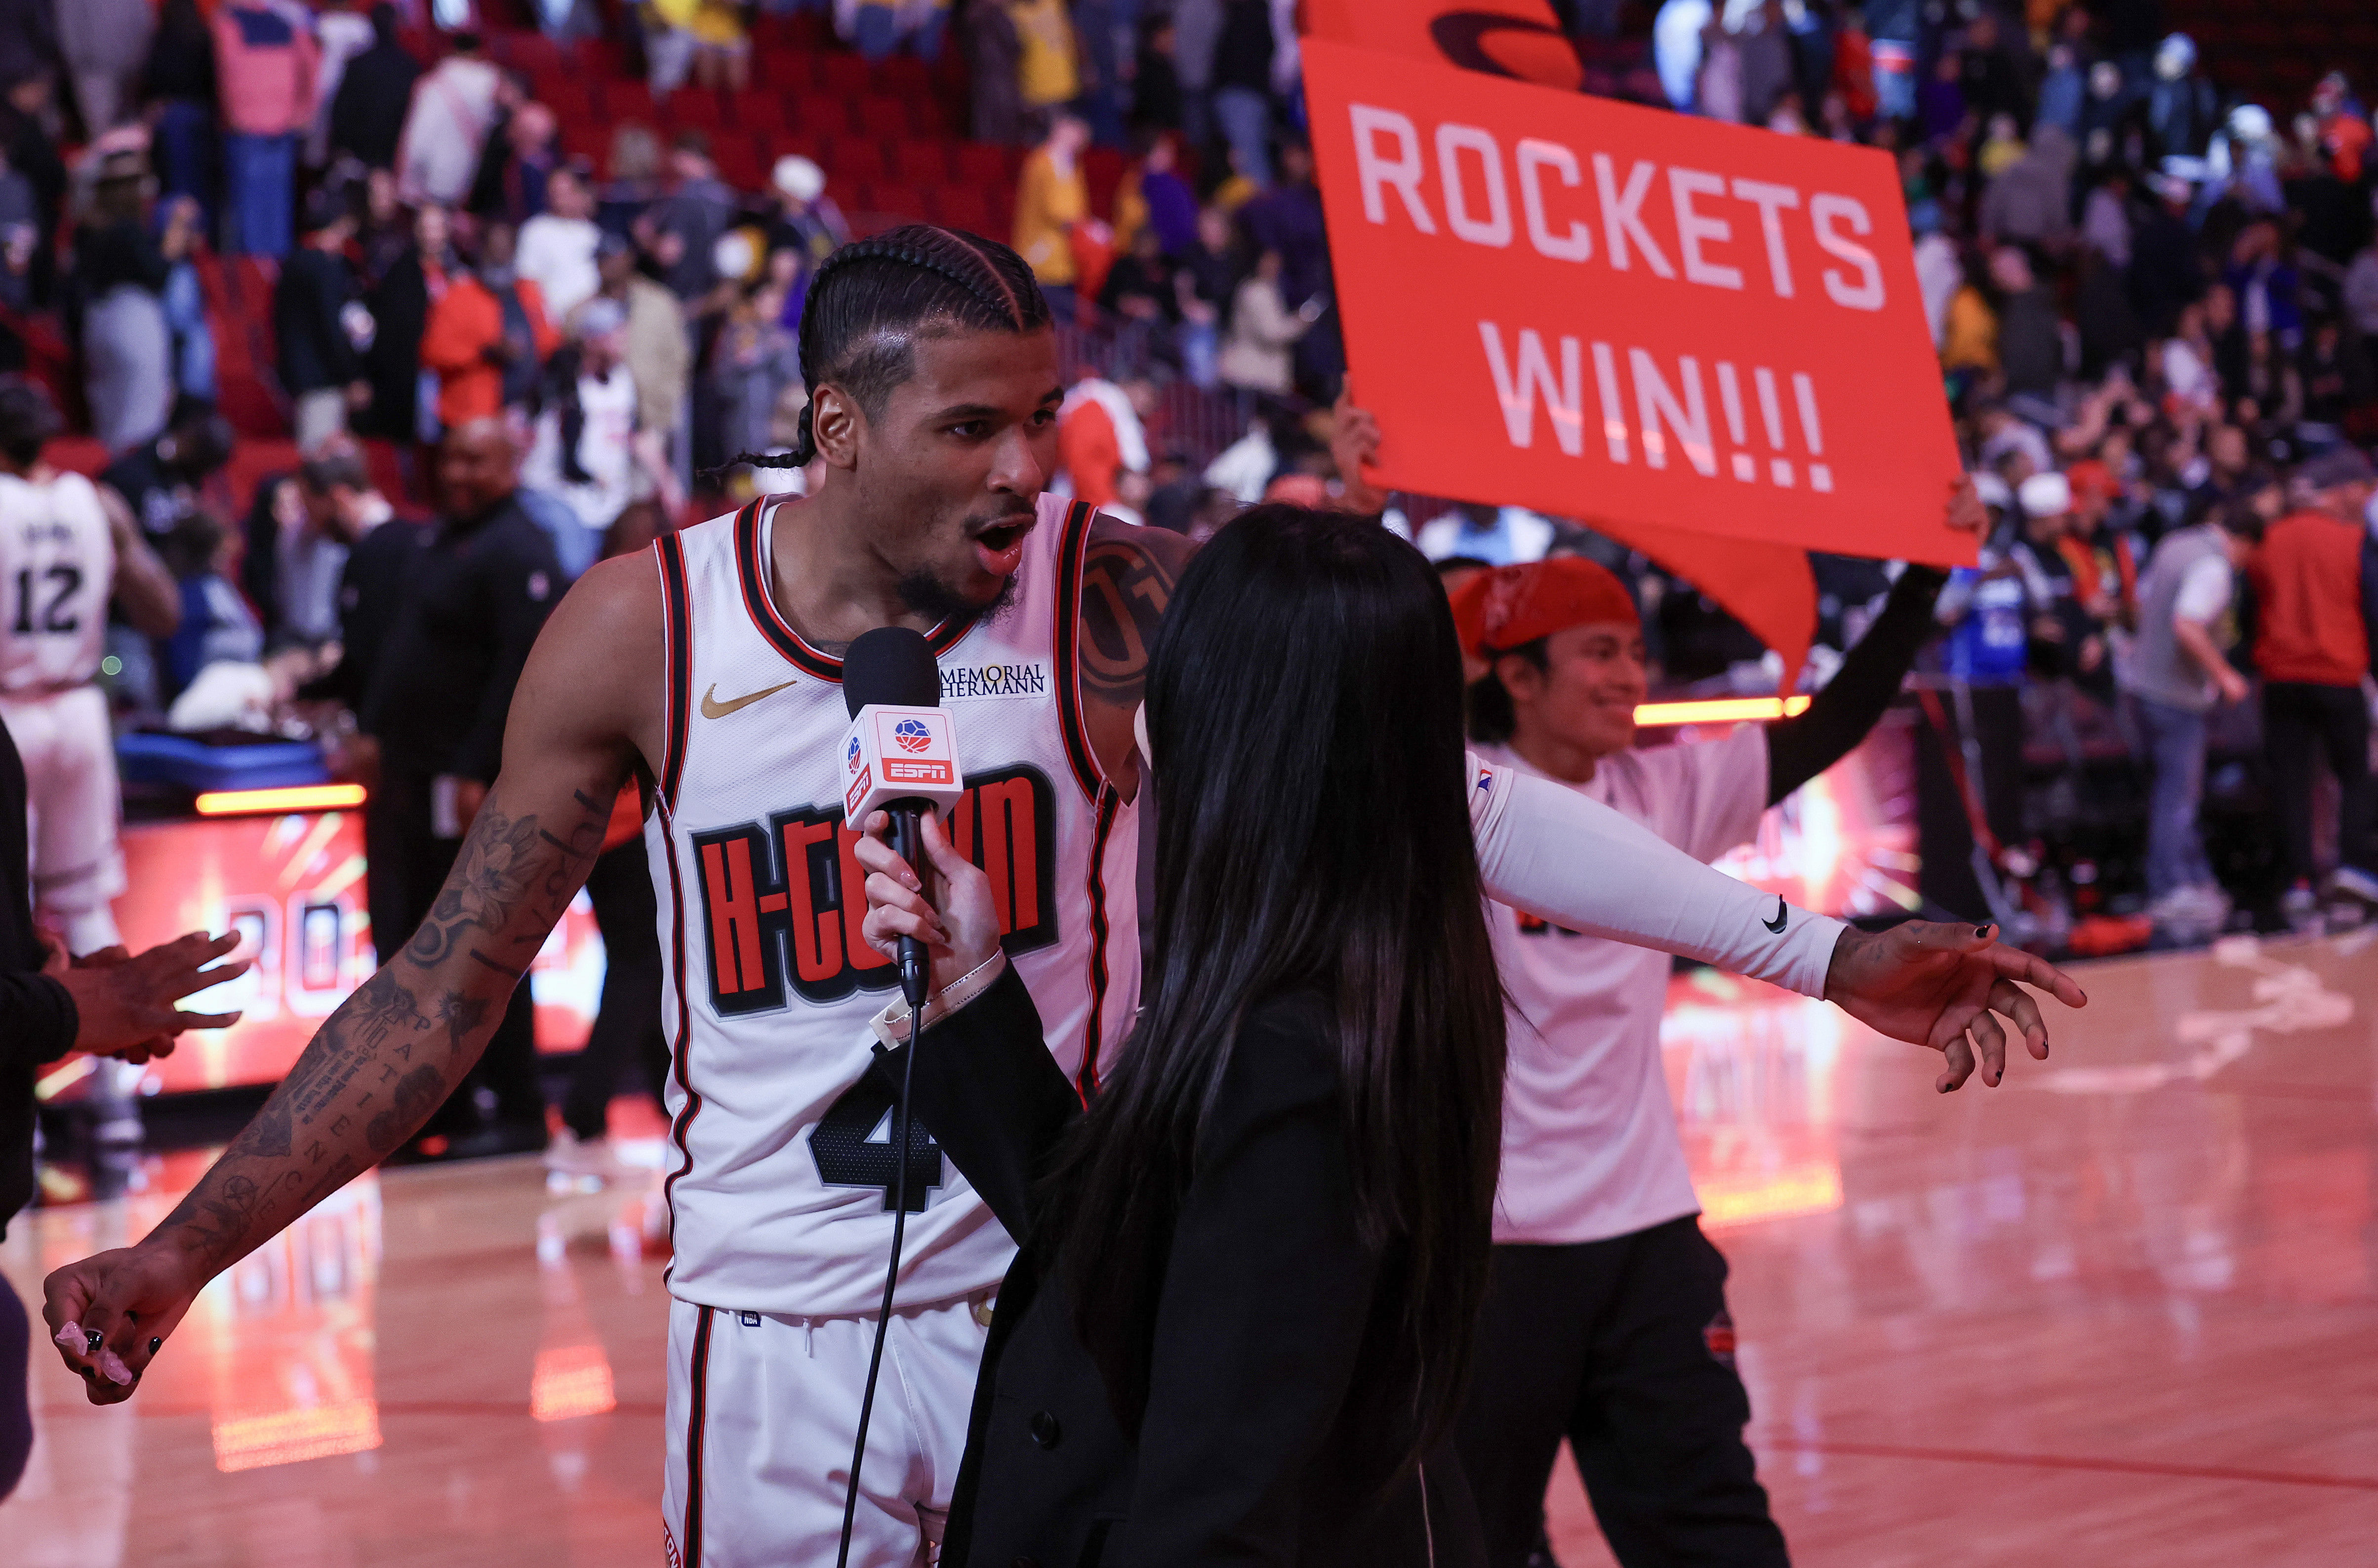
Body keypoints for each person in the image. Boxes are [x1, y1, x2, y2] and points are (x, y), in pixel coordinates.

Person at [41, 228, 2083, 1568]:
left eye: (1045, 414)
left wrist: (1812, 951)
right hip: (774, 1324)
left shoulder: (1115, 594)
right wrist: (188, 1249)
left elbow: (1423, 789)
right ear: (838, 432)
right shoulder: (636, 632)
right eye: (973, 426)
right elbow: (445, 987)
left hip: (1075, 1288)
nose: (1031, 464)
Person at [849, 505, 1506, 1566]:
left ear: (1225, 719)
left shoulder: (1292, 1059)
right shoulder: (1348, 977)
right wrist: (972, 979)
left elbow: (1217, 1509)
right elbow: (1129, 1264)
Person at [1444, 548, 1959, 1568]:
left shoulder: (1666, 784)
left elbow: (1833, 721)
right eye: (1599, 652)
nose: (1632, 676)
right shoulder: (1440, 797)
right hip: (1484, 1255)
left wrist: (1923, 578)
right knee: (1469, 1546)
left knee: (1716, 1537)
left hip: (1645, 1235)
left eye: (1636, 650)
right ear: (1514, 675)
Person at [3, 710, 246, 1481]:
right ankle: (113, 1112)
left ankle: (99, 1115)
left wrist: (53, 979)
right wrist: (64, 1010)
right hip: (71, 715)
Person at [359, 418, 564, 1159]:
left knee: (480, 946)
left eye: (476, 459)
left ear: (512, 463)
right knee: (413, 945)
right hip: (414, 782)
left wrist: (483, 768)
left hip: (467, 786)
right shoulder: (441, 538)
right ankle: (440, 1108)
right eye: (451, 457)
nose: (457, 472)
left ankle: (517, 1106)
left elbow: (523, 672)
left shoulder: (520, 550)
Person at [0, 378, 179, 955]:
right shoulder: (97, 502)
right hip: (80, 711)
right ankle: (118, 1043)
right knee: (85, 905)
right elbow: (164, 613)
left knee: (11, 914)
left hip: (9, 714)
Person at [2116, 494, 2259, 937]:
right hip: (2174, 695)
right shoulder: (2214, 567)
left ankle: (2190, 881)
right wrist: (2224, 674)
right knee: (2178, 794)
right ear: (2245, 542)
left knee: (2171, 790)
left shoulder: (2175, 543)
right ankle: (2170, 888)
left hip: (2142, 686)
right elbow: (2187, 625)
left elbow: (2141, 604)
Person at [2247, 446, 2378, 922]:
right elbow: (2372, 610)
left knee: (2290, 781)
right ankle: (2352, 874)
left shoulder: (2268, 539)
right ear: (2340, 492)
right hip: (2339, 673)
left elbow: (2248, 611)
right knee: (2354, 775)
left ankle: (2299, 881)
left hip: (2281, 676)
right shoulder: (2351, 540)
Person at [523, 298, 678, 580]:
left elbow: (638, 434)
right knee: (573, 569)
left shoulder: (623, 380)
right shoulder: (564, 379)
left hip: (608, 497)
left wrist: (665, 479)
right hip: (563, 494)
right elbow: (534, 428)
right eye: (614, 335)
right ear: (592, 340)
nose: (622, 342)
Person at [420, 221, 558, 431]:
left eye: (506, 250)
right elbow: (432, 351)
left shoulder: (530, 292)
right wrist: (485, 352)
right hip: (473, 417)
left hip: (525, 416)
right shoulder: (459, 295)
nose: (500, 257)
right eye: (494, 250)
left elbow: (550, 341)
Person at [212, 0, 318, 258]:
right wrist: (301, 113)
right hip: (282, 127)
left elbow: (225, 67)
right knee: (278, 211)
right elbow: (311, 67)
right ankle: (274, 282)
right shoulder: (291, 21)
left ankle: (255, 285)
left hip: (246, 128)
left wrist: (232, 114)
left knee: (248, 214)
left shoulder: (228, 21)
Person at [275, 190, 369, 452]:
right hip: (322, 381)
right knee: (320, 460)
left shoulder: (294, 260)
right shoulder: (323, 267)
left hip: (300, 377)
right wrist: (351, 376)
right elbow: (331, 327)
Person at [394, 29, 500, 208]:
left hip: (434, 176)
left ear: (452, 48)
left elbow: (419, 139)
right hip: (474, 180)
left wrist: (408, 179)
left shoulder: (434, 83)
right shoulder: (494, 84)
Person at [326, 3, 419, 172]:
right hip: (394, 150)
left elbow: (343, 107)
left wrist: (339, 144)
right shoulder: (410, 66)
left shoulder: (357, 64)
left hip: (359, 149)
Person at [1011, 113, 1089, 310]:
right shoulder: (1045, 162)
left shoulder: (1069, 164)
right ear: (1061, 128)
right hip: (1043, 259)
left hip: (1064, 260)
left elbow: (1079, 209)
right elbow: (1059, 212)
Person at [515, 161, 603, 322]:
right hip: (556, 321)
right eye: (556, 193)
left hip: (595, 316)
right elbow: (527, 283)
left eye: (567, 193)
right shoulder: (536, 230)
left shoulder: (593, 233)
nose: (561, 200)